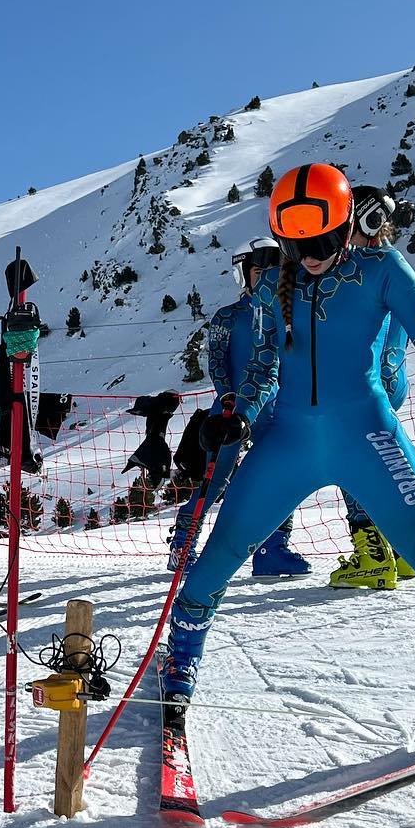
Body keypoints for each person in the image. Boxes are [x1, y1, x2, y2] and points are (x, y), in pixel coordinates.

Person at [163, 162, 415, 733]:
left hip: (368, 435)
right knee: (221, 553)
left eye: (322, 242)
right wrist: (237, 415)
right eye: (296, 245)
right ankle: (179, 664)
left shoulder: (381, 269)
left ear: (347, 224)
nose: (309, 256)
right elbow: (262, 369)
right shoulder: (273, 286)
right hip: (289, 442)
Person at [168, 238, 309, 576]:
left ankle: (273, 548)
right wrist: (228, 397)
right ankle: (183, 545)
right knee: (216, 480)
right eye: (259, 271)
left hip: (272, 409)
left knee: (280, 476)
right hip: (231, 410)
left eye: (274, 272)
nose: (267, 278)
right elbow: (217, 362)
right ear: (244, 274)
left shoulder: (287, 315)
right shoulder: (228, 317)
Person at [328, 184, 415, 592]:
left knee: (347, 462)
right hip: (391, 379)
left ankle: (373, 555)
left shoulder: (359, 270)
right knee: (385, 462)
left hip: (360, 383)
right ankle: (404, 548)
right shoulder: (394, 265)